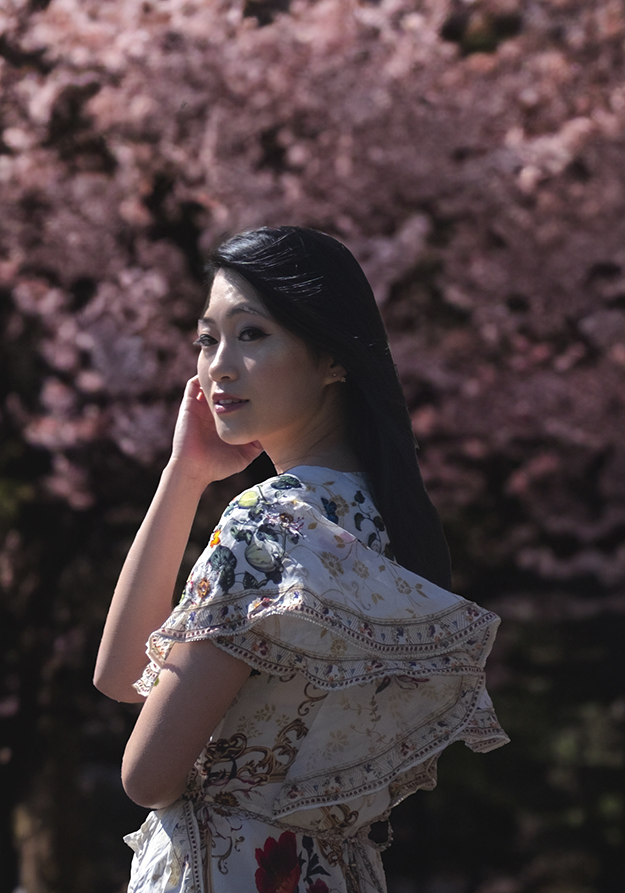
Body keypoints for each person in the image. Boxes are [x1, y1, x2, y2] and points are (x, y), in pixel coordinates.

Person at [91, 225, 507, 892]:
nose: (218, 365)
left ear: (334, 359)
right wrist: (186, 473)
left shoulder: (267, 523)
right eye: (207, 338)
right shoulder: (387, 526)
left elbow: (147, 774)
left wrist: (187, 481)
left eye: (252, 334)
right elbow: (122, 675)